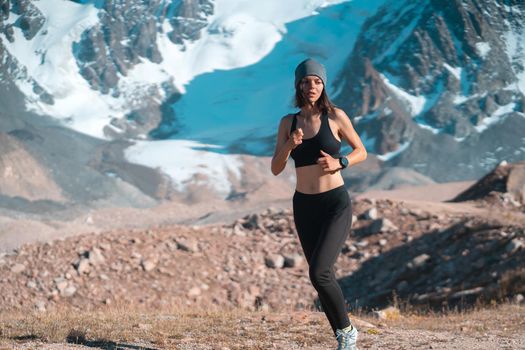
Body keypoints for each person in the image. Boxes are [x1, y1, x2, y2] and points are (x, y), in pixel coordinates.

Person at [271, 58, 367, 350]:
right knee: (321, 275)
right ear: (298, 85)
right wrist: (290, 145)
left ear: (323, 85)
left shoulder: (336, 116)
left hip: (334, 203)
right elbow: (276, 167)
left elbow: (361, 150)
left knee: (319, 272)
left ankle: (347, 333)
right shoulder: (288, 122)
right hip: (304, 205)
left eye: (317, 81)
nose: (311, 86)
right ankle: (342, 333)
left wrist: (341, 161)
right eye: (306, 81)